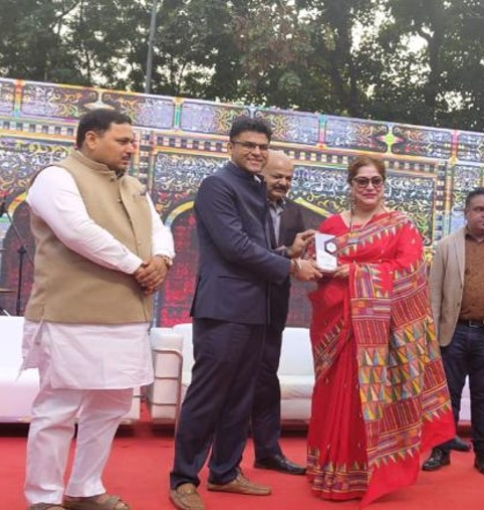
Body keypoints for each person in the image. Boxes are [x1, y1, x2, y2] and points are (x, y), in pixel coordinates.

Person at [21, 109, 175, 510]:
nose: (131, 149)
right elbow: (78, 231)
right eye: (122, 141)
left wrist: (162, 259)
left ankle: (84, 489)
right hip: (70, 314)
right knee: (58, 409)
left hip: (126, 314)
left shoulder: (133, 185)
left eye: (132, 141)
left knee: (110, 408)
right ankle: (44, 498)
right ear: (91, 138)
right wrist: (136, 266)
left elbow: (159, 228)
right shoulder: (57, 177)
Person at [169, 116, 321, 510]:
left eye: (262, 146)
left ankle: (225, 471)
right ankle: (183, 478)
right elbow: (234, 247)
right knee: (208, 395)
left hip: (257, 309)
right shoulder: (217, 186)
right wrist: (290, 266)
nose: (256, 152)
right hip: (224, 308)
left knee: (241, 395)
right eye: (248, 145)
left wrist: (287, 252)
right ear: (230, 147)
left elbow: (258, 249)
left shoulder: (254, 187)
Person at [306, 155, 454, 505]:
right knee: (337, 398)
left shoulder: (400, 225)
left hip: (382, 336)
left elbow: (411, 271)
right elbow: (321, 273)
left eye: (376, 181)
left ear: (384, 185)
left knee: (371, 401)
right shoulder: (331, 226)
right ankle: (334, 471)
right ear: (351, 185)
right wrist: (315, 264)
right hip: (340, 328)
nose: (369, 187)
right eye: (362, 181)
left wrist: (356, 273)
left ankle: (371, 474)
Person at [423, 187, 484, 477]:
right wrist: (432, 335)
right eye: (479, 209)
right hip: (453, 332)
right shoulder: (446, 246)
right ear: (466, 213)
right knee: (447, 396)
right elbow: (434, 294)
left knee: (483, 395)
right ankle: (441, 451)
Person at [251, 150, 316, 476]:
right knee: (232, 381)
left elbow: (295, 260)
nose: (283, 183)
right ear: (259, 173)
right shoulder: (244, 204)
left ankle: (268, 452)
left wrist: (311, 263)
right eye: (277, 176)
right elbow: (246, 253)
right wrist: (288, 255)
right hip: (240, 302)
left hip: (275, 304)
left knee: (266, 378)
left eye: (289, 178)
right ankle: (219, 460)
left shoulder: (293, 212)